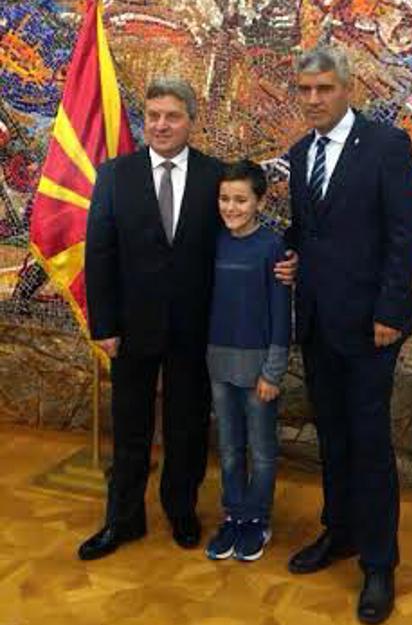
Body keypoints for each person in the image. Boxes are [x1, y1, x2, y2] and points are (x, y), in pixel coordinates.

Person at [78, 77, 295, 561]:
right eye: (153, 115)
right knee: (130, 427)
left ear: (191, 122)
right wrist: (104, 326)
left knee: (187, 427)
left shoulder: (214, 177)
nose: (161, 125)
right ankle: (122, 519)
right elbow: (100, 253)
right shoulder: (115, 175)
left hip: (197, 332)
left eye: (172, 116)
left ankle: (181, 511)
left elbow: (244, 233)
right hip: (131, 330)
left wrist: (287, 260)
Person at [286, 45, 412, 625]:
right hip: (319, 322)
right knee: (333, 437)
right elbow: (308, 230)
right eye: (306, 90)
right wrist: (289, 256)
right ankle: (339, 532)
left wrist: (391, 309)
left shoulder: (386, 146)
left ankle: (379, 563)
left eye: (324, 89)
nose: (314, 99)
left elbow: (404, 233)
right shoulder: (300, 153)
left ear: (347, 89)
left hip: (372, 326)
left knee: (368, 443)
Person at [205, 159, 291, 563]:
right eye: (224, 198)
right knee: (229, 447)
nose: (231, 207)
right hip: (218, 365)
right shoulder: (213, 242)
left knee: (261, 449)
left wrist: (273, 371)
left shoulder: (272, 247)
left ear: (260, 202)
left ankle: (257, 518)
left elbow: (281, 314)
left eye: (240, 200)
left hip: (259, 369)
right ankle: (234, 514)